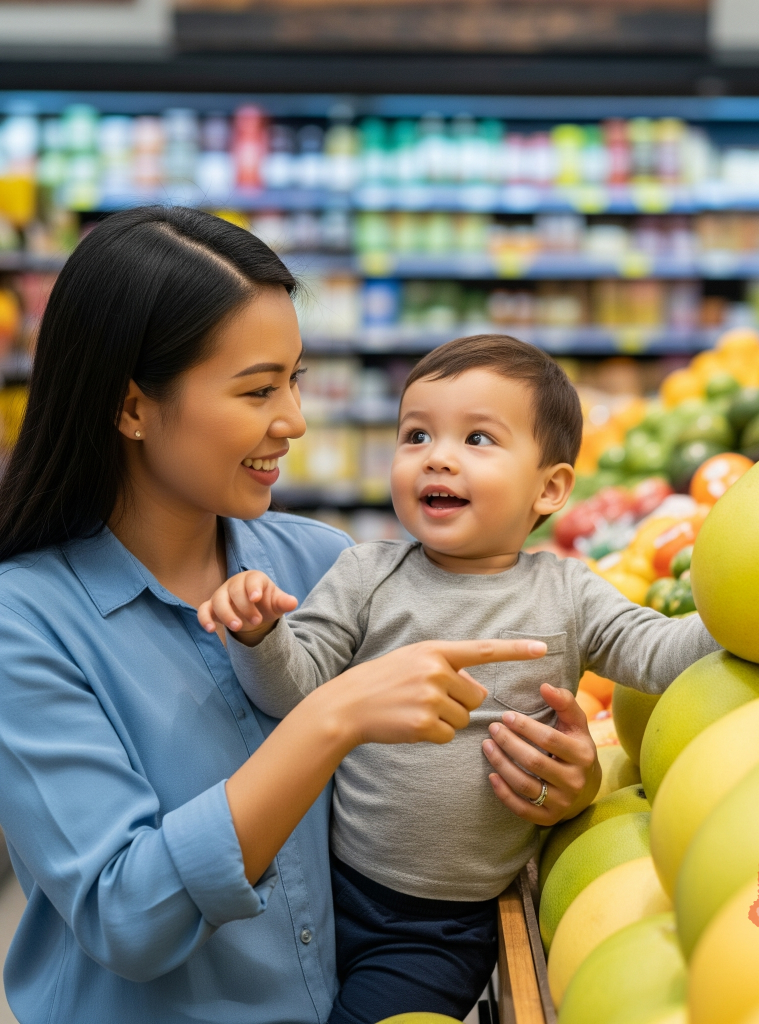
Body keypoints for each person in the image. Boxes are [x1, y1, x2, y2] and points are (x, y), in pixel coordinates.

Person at [0, 208, 599, 1024]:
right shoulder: (26, 622)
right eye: (257, 389)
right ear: (132, 406)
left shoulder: (323, 563)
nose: (295, 420)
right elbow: (125, 915)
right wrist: (330, 717)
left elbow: (428, 781)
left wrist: (557, 785)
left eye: (295, 379)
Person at [201, 334, 722, 1024]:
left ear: (552, 487)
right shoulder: (366, 574)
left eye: (478, 438)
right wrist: (262, 635)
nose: (437, 456)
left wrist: (749, 607)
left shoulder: (570, 593)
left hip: (440, 930)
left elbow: (659, 653)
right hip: (326, 888)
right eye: (416, 435)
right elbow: (295, 696)